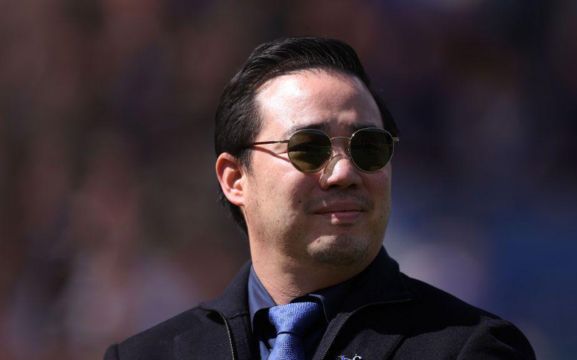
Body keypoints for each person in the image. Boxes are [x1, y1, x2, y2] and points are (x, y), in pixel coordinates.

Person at [104, 37, 535, 360]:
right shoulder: (148, 355)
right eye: (308, 149)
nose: (345, 172)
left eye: (368, 148)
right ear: (235, 179)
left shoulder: (470, 348)